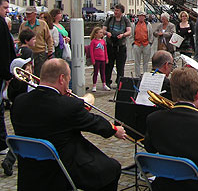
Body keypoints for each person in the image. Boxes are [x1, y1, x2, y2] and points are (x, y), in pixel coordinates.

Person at [11, 58, 126, 190]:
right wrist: (114, 129)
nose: (68, 82)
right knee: (112, 168)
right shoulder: (68, 106)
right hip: (61, 169)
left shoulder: (19, 102)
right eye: (68, 78)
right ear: (61, 78)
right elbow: (94, 122)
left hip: (30, 170)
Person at [2, 57, 33, 176]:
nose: (29, 69)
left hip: (15, 111)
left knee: (21, 135)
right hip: (26, 111)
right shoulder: (25, 82)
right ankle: (9, 160)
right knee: (23, 136)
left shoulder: (13, 83)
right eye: (26, 67)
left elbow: (6, 95)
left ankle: (16, 159)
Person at [0, 0, 16, 157]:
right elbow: (5, 50)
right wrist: (7, 73)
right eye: (5, 8)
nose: (7, 11)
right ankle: (1, 142)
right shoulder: (1, 24)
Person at [18, 6, 54, 76]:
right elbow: (20, 39)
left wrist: (50, 50)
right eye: (26, 14)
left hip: (40, 53)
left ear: (35, 14)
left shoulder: (43, 24)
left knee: (39, 74)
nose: (27, 15)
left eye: (29, 14)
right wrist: (20, 49)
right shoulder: (23, 25)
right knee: (27, 73)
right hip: (27, 53)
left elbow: (48, 38)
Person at [103, 4, 131, 88]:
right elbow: (103, 29)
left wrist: (123, 35)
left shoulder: (125, 20)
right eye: (115, 10)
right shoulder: (110, 19)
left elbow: (129, 31)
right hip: (110, 45)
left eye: (117, 10)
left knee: (120, 66)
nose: (115, 12)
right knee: (109, 65)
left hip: (121, 46)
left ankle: (119, 82)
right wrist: (107, 33)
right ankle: (107, 82)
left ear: (121, 12)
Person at [131, 11, 154, 77]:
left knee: (146, 61)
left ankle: (145, 74)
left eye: (142, 16)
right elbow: (132, 34)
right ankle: (137, 75)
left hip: (146, 44)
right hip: (137, 44)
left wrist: (150, 43)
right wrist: (133, 43)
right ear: (138, 17)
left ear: (144, 17)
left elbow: (151, 34)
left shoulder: (148, 24)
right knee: (137, 61)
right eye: (140, 16)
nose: (141, 17)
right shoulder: (134, 24)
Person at [90, 27, 110, 92]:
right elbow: (91, 52)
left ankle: (104, 84)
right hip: (96, 59)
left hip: (103, 59)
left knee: (103, 72)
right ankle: (94, 85)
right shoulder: (93, 42)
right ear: (96, 34)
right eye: (100, 32)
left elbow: (105, 51)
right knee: (95, 72)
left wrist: (106, 58)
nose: (102, 34)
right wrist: (93, 60)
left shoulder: (103, 41)